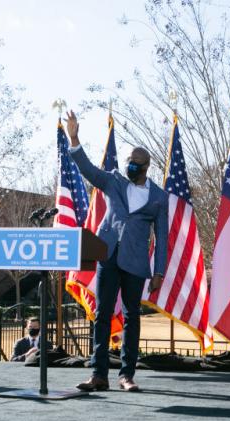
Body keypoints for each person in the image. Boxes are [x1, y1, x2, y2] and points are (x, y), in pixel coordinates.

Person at [65, 111, 168, 392]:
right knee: (102, 314)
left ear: (146, 166)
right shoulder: (113, 180)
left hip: (135, 262)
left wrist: (159, 270)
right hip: (107, 255)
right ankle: (98, 375)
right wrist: (74, 139)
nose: (129, 166)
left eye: (134, 163)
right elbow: (88, 169)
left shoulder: (159, 197)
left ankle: (127, 376)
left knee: (132, 316)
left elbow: (162, 235)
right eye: (127, 162)